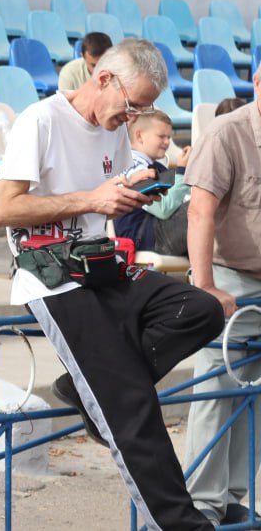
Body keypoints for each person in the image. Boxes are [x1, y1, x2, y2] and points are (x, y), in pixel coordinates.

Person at [0, 37, 224, 531]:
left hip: (100, 263)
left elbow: (102, 200)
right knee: (131, 402)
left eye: (143, 110)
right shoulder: (41, 120)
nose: (133, 119)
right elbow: (1, 209)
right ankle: (182, 522)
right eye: (132, 106)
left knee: (202, 309)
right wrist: (92, 200)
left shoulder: (115, 129)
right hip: (49, 273)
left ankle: (89, 386)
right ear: (103, 79)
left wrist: (128, 195)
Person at [184, 69, 261, 526]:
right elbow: (199, 211)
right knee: (215, 388)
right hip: (232, 280)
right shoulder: (227, 132)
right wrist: (206, 287)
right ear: (258, 81)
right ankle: (203, 504)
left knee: (256, 394)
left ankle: (233, 495)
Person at [113, 110, 191, 257]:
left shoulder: (155, 166)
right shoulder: (133, 166)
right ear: (139, 136)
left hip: (155, 233)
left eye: (169, 137)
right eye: (161, 136)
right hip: (143, 237)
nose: (167, 142)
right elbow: (163, 209)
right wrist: (182, 171)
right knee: (202, 205)